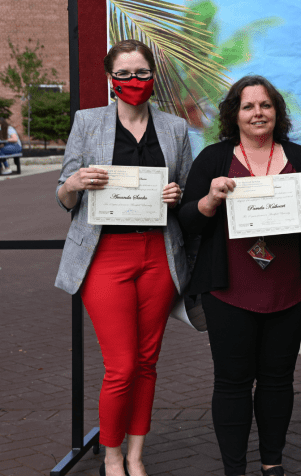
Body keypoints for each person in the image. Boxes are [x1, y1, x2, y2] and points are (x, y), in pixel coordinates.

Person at [178, 75, 301, 476]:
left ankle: (271, 464)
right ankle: (234, 469)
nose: (257, 113)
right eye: (248, 106)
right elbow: (187, 220)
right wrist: (210, 199)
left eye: (265, 105)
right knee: (231, 382)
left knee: (278, 381)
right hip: (228, 291)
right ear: (234, 114)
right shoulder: (213, 158)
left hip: (288, 289)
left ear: (277, 112)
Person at [54, 39, 192, 476]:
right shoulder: (87, 122)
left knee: (147, 363)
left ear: (153, 77)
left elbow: (185, 192)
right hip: (104, 254)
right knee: (121, 365)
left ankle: (135, 455)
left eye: (142, 73)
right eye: (125, 74)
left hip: (158, 254)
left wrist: (177, 195)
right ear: (111, 80)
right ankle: (112, 458)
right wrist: (75, 181)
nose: (135, 81)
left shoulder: (174, 128)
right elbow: (62, 195)